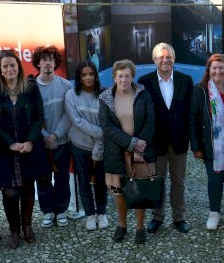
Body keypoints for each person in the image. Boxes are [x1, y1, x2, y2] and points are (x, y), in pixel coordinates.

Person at [0, 49, 48, 248]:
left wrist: (30, 141)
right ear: (0, 69)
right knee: (10, 192)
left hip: (28, 147)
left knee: (28, 188)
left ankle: (27, 226)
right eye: (5, 66)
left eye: (13, 65)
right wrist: (8, 143)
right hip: (6, 150)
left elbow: (39, 116)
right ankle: (14, 229)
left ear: (18, 67)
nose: (9, 69)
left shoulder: (30, 87)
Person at [99, 59, 156, 244]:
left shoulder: (143, 94)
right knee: (119, 192)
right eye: (120, 76)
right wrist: (132, 143)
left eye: (128, 76)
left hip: (141, 152)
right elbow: (107, 127)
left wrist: (141, 146)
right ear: (114, 77)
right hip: (116, 153)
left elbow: (150, 120)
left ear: (133, 77)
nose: (124, 79)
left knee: (140, 191)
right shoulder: (105, 97)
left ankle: (140, 227)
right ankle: (122, 225)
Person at [138, 43, 192, 235]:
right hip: (156, 142)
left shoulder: (186, 81)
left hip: (179, 141)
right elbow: (141, 115)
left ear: (174, 59)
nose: (165, 60)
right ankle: (157, 217)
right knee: (157, 181)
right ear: (154, 60)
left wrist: (192, 140)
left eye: (168, 56)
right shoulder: (144, 82)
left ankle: (179, 218)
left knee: (179, 181)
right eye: (161, 57)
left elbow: (190, 114)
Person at [190, 54, 224, 230]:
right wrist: (196, 147)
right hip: (211, 145)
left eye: (221, 67)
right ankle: (214, 213)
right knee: (214, 180)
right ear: (209, 71)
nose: (218, 71)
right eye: (214, 68)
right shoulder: (200, 90)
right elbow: (193, 120)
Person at [32, 45, 73, 229]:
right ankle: (48, 210)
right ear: (38, 63)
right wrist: (45, 136)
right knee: (43, 177)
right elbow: (32, 117)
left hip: (62, 141)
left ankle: (61, 209)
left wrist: (56, 135)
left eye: (51, 59)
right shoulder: (31, 88)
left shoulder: (65, 85)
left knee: (62, 177)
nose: (48, 63)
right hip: (41, 143)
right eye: (44, 59)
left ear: (55, 62)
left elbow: (69, 114)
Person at [66, 61, 108, 231]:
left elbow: (107, 119)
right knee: (83, 181)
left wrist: (102, 136)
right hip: (80, 145)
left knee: (101, 182)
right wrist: (100, 132)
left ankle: (102, 213)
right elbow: (77, 121)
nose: (88, 77)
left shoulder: (104, 94)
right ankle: (90, 214)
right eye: (84, 75)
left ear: (95, 75)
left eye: (91, 74)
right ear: (79, 77)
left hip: (100, 147)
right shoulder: (71, 95)